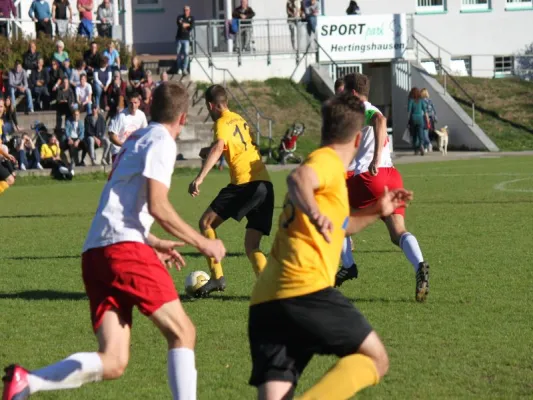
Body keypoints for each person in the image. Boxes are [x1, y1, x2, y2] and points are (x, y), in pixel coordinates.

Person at [2, 81, 227, 400]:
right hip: (124, 250)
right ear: (184, 119)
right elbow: (158, 205)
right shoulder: (162, 141)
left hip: (96, 252)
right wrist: (202, 243)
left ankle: (28, 383)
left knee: (114, 360)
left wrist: (152, 242)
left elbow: (121, 206)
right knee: (183, 332)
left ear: (149, 108)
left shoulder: (135, 140)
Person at [248, 91, 412, 400]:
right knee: (376, 359)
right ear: (357, 140)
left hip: (266, 301)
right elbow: (298, 179)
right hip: (304, 289)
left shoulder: (331, 175)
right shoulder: (325, 162)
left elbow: (342, 225)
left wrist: (378, 210)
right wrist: (314, 213)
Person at [335, 73, 430, 302]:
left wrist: (374, 159)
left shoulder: (361, 109)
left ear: (354, 94)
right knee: (398, 232)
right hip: (391, 177)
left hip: (370, 177)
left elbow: (380, 121)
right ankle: (420, 265)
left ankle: (348, 265)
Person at [188, 84, 273, 297]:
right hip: (265, 184)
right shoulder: (239, 119)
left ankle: (217, 278)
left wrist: (200, 178)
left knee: (206, 223)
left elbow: (219, 146)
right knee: (252, 245)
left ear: (210, 105)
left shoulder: (221, 122)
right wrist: (209, 151)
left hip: (245, 184)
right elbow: (240, 145)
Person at [108, 91, 147, 163]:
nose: (133, 105)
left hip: (133, 151)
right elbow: (112, 136)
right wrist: (124, 145)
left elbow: (145, 133)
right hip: (119, 151)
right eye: (131, 103)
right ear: (128, 103)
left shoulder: (141, 115)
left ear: (139, 103)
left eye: (135, 103)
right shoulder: (121, 116)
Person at [408, 87, 429, 156]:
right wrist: (427, 120)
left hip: (413, 118)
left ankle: (416, 150)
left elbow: (409, 111)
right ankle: (421, 145)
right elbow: (425, 111)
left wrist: (408, 120)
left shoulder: (411, 100)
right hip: (420, 118)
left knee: (414, 135)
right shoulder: (421, 100)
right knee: (421, 133)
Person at [175, 5, 194, 76]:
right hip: (179, 38)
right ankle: (179, 68)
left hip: (186, 39)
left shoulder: (191, 18)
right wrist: (187, 24)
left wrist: (185, 24)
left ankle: (185, 68)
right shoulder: (180, 17)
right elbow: (180, 24)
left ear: (189, 11)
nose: (185, 11)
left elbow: (192, 26)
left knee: (186, 53)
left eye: (187, 10)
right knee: (178, 54)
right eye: (184, 10)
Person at [421, 88, 437, 153]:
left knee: (424, 133)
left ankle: (429, 144)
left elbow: (423, 111)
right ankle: (425, 148)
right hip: (431, 118)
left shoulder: (422, 101)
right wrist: (435, 118)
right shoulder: (430, 101)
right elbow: (434, 110)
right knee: (426, 133)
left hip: (425, 118)